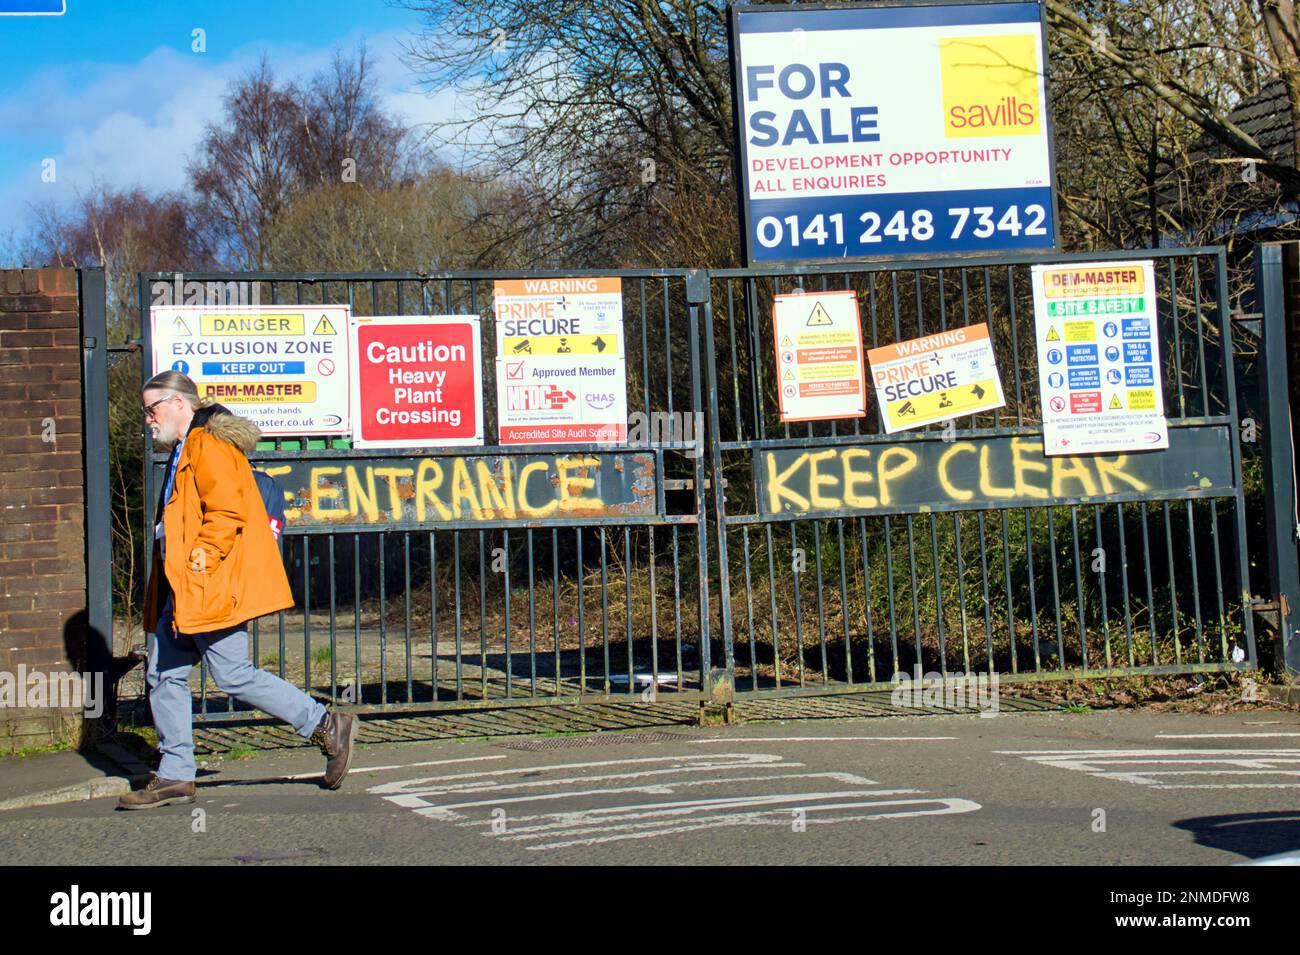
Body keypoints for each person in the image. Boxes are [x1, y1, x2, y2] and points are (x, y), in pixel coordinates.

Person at [119, 372, 358, 809]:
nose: (148, 420)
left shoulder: (208, 445)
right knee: (164, 674)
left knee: (232, 674)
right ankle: (176, 774)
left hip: (208, 584)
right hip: (186, 586)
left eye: (152, 410)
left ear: (178, 404)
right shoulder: (185, 448)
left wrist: (201, 561)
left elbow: (226, 511)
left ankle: (325, 723)